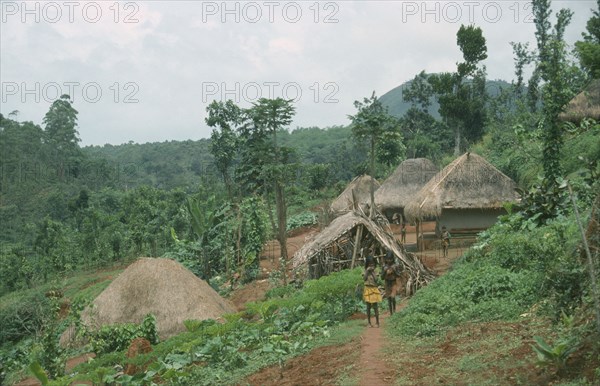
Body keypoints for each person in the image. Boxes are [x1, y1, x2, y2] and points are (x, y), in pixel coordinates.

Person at [363, 258, 381, 327]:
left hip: (374, 289)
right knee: (368, 307)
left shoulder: (376, 271)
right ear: (367, 264)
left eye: (373, 264)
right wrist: (367, 271)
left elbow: (376, 280)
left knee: (375, 306)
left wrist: (372, 272)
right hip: (367, 289)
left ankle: (377, 322)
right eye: (370, 264)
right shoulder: (365, 270)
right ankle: (369, 323)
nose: (371, 266)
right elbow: (364, 279)